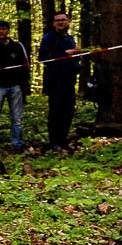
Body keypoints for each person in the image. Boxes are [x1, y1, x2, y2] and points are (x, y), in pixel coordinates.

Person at [0, 21, 30, 152]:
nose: (1, 31)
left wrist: (22, 84)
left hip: (15, 86)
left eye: (3, 29)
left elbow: (25, 65)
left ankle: (18, 144)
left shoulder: (17, 46)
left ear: (8, 30)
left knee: (17, 118)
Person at [38, 12, 82, 150]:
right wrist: (64, 53)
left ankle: (63, 141)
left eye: (63, 20)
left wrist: (76, 55)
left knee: (68, 111)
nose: (60, 22)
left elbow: (73, 58)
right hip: (55, 80)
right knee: (56, 111)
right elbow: (42, 57)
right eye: (57, 20)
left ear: (68, 21)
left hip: (69, 80)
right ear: (54, 23)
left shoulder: (70, 38)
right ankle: (54, 142)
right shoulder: (49, 37)